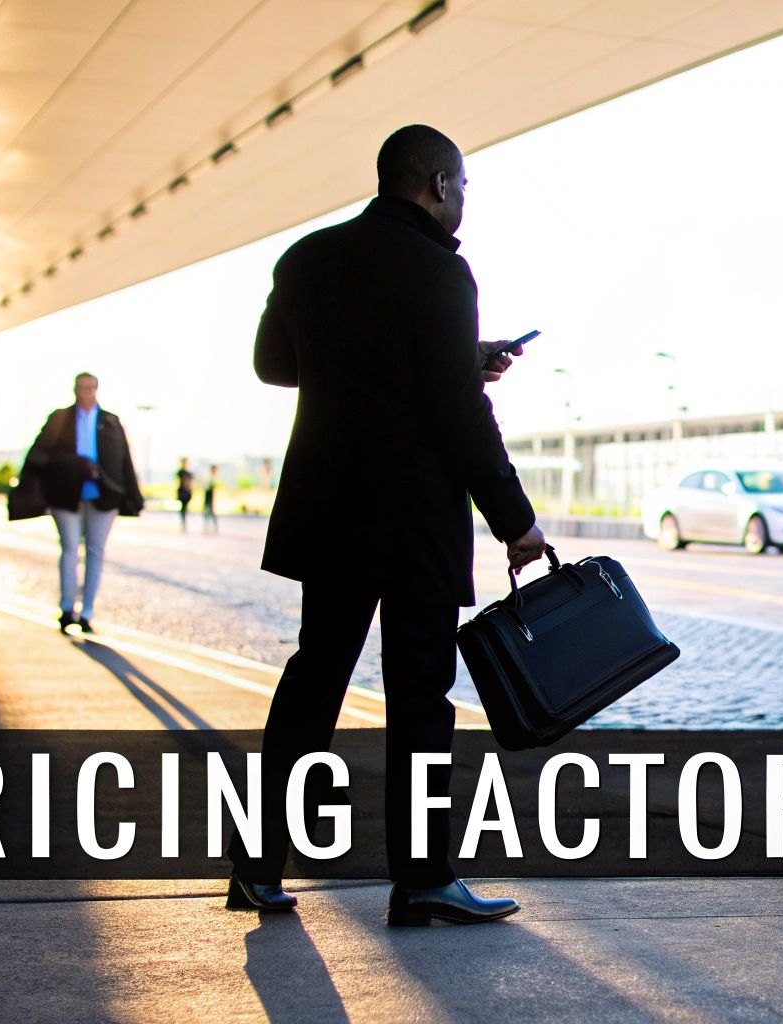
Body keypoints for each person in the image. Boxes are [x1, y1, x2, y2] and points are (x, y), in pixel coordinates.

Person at [230, 124, 546, 926]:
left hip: (329, 509)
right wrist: (515, 521)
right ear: (438, 184)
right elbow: (457, 412)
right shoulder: (443, 271)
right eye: (463, 187)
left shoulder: (307, 257)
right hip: (413, 521)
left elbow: (274, 364)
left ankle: (257, 868)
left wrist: (423, 356)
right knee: (419, 702)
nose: (464, 201)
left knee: (312, 683)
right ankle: (423, 880)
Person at [11, 372, 144, 633]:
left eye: (91, 388)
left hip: (103, 497)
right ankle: (66, 608)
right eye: (82, 388)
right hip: (65, 495)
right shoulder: (60, 418)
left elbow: (124, 461)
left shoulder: (109, 421)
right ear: (74, 389)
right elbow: (40, 454)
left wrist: (133, 497)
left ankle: (87, 612)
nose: (87, 393)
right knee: (70, 549)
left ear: (97, 389)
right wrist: (76, 466)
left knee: (95, 552)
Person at [175, 458, 195, 531]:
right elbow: (177, 482)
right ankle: (183, 522)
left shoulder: (190, 473)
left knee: (185, 507)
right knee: (183, 508)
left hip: (187, 492)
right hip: (182, 492)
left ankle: (185, 521)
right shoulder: (180, 472)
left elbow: (192, 484)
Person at [202, 464, 219, 535]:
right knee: (209, 512)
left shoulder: (212, 477)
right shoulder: (210, 478)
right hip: (209, 497)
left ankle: (210, 526)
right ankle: (208, 526)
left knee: (210, 513)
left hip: (210, 497)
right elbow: (208, 489)